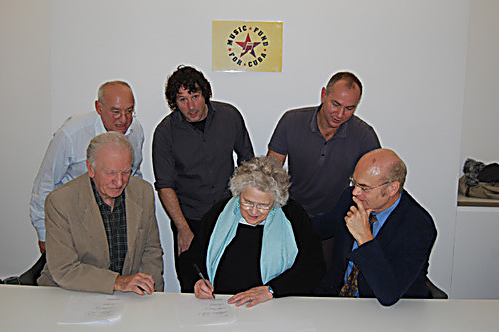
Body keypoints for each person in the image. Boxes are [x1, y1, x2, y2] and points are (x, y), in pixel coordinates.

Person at [152, 65, 254, 289]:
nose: (191, 106)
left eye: (195, 97)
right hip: (189, 219)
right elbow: (165, 185)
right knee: (192, 286)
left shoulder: (230, 116)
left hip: (229, 215)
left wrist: (247, 210)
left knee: (232, 280)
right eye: (182, 100)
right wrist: (183, 229)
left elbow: (247, 163)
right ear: (174, 103)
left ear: (205, 94)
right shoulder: (165, 132)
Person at [267, 71, 380, 269]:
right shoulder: (291, 121)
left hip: (336, 220)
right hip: (291, 217)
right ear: (323, 95)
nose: (340, 114)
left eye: (349, 108)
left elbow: (374, 184)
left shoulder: (364, 135)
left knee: (326, 282)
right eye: (335, 104)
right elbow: (269, 174)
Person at [180, 156, 325, 307]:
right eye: (247, 202)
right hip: (221, 306)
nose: (254, 211)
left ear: (276, 201)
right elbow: (192, 259)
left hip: (274, 306)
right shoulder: (220, 213)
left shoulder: (292, 216)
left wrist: (272, 290)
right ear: (239, 194)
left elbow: (313, 267)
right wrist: (196, 282)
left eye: (263, 205)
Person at [37, 132, 163, 294]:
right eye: (110, 173)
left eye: (125, 172)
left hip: (126, 297)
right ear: (91, 168)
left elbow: (151, 251)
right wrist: (117, 282)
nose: (119, 182)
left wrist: (151, 295)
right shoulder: (61, 202)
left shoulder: (143, 192)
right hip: (69, 293)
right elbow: (64, 269)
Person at [30, 81, 144, 254]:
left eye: (129, 111)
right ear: (99, 108)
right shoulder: (71, 134)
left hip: (114, 221)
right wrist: (44, 235)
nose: (123, 119)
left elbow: (135, 175)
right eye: (116, 112)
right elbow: (45, 184)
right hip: (74, 221)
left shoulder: (135, 131)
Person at [315, 149, 437, 306]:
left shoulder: (419, 226)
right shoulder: (350, 199)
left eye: (365, 188)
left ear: (392, 188)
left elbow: (389, 294)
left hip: (388, 310)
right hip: (337, 300)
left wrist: (364, 238)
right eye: (355, 182)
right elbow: (318, 228)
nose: (355, 192)